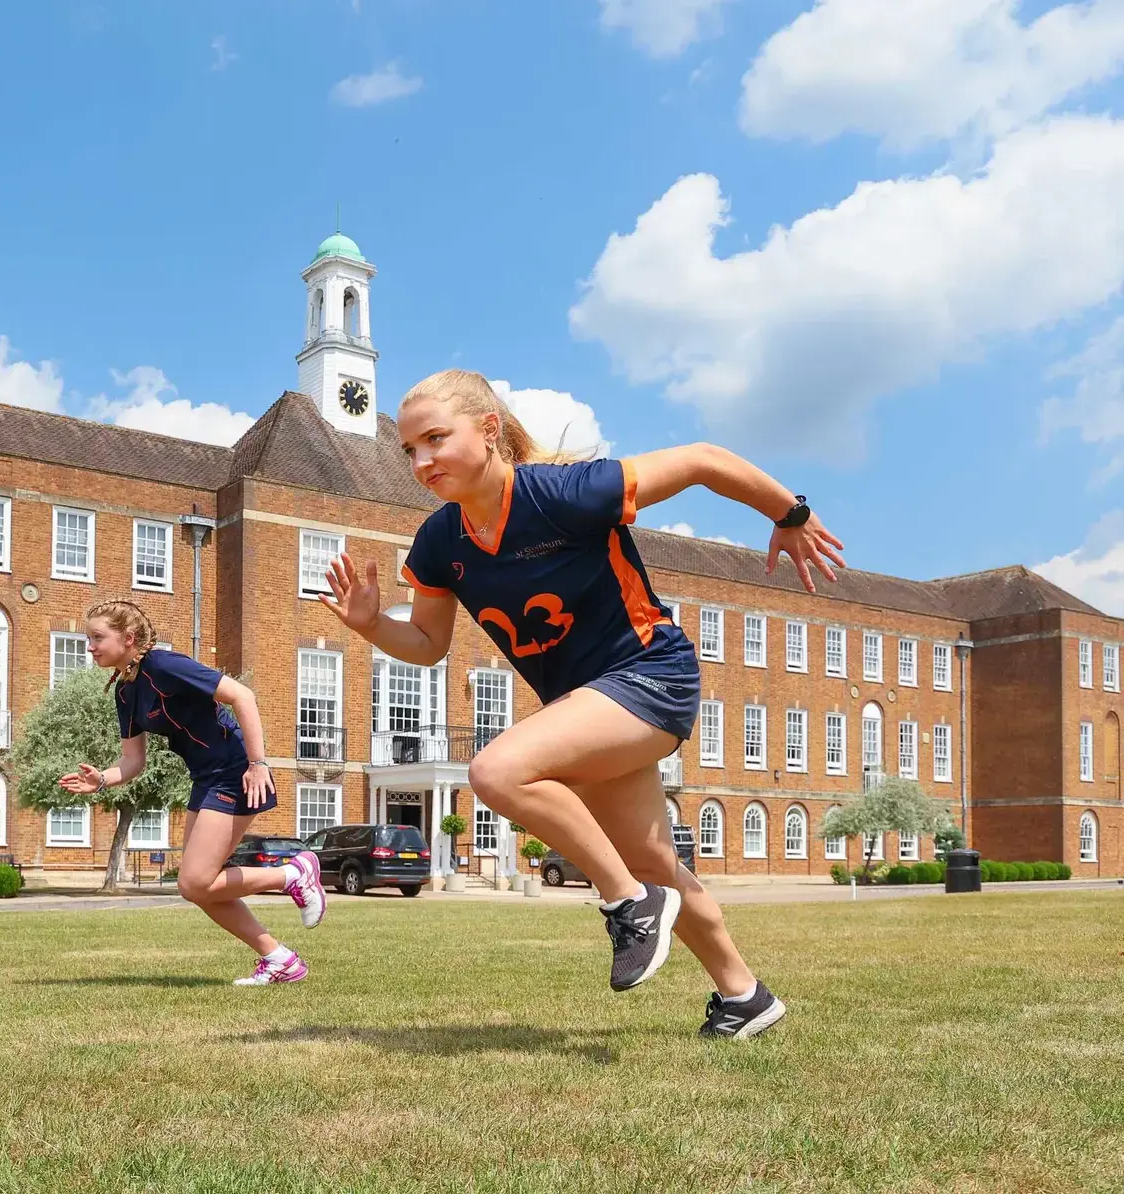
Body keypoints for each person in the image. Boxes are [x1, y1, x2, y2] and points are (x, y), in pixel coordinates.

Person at [318, 369, 844, 1039]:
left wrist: (789, 514)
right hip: (589, 705)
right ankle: (744, 995)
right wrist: (368, 625)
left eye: (435, 440)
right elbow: (426, 644)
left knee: (498, 771)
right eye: (408, 449)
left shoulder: (565, 494)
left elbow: (705, 462)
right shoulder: (439, 545)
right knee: (657, 863)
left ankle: (629, 903)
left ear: (488, 431)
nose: (421, 462)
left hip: (651, 675)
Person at [60, 599, 328, 985]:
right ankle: (278, 958)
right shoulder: (125, 692)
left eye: (98, 637)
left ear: (129, 637)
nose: (90, 646)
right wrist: (100, 779)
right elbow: (133, 761)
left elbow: (242, 696)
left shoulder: (164, 665)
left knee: (195, 882)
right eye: (89, 638)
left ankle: (293, 873)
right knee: (198, 888)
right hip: (205, 777)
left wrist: (258, 764)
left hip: (235, 770)